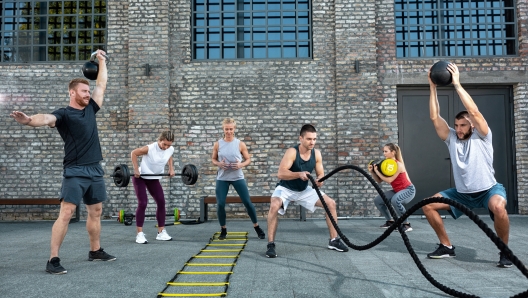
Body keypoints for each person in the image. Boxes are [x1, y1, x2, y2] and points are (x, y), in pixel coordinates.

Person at [10, 50, 115, 275]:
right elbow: (46, 118)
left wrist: (102, 62)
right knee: (66, 212)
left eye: (89, 91)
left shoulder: (91, 110)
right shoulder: (64, 114)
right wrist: (29, 121)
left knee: (95, 211)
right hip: (75, 170)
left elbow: (102, 85)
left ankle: (95, 250)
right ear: (72, 93)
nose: (89, 94)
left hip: (95, 167)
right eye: (84, 91)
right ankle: (53, 259)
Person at [423, 62, 512, 268]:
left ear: (471, 124)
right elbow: (434, 117)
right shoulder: (452, 138)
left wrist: (457, 84)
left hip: (488, 189)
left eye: (463, 125)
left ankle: (504, 250)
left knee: (499, 207)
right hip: (461, 193)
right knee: (428, 205)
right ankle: (446, 246)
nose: (458, 129)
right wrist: (432, 87)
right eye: (456, 125)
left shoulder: (482, 136)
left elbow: (475, 111)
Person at [265, 124, 349, 258]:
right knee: (274, 205)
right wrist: (298, 174)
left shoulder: (316, 154)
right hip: (286, 188)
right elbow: (281, 173)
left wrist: (320, 181)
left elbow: (321, 175)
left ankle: (334, 240)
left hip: (304, 190)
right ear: (301, 138)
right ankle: (270, 244)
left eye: (314, 139)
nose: (312, 142)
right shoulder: (292, 152)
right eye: (309, 139)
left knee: (331, 203)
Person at [211, 118, 265, 240]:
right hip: (222, 178)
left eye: (231, 129)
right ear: (223, 129)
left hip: (237, 177)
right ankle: (223, 230)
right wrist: (219, 164)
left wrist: (241, 165)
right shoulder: (218, 144)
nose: (229, 131)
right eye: (226, 129)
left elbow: (248, 159)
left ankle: (257, 227)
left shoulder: (240, 144)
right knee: (220, 204)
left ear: (234, 129)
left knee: (247, 202)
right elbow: (213, 159)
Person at [131, 131, 176, 244]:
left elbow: (169, 156)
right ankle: (139, 234)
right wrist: (136, 169)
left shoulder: (170, 149)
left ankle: (161, 232)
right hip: (140, 177)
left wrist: (171, 168)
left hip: (153, 178)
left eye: (168, 145)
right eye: (164, 144)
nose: (166, 147)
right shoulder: (150, 148)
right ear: (159, 140)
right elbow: (134, 153)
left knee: (161, 202)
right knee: (143, 203)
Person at [369, 143, 416, 232]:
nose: (384, 153)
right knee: (378, 201)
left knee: (395, 200)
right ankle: (390, 221)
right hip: (397, 190)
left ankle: (406, 224)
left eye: (386, 151)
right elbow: (379, 181)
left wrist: (377, 172)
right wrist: (372, 172)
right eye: (383, 151)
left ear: (393, 152)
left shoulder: (398, 165)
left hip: (408, 190)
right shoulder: (386, 164)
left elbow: (390, 180)